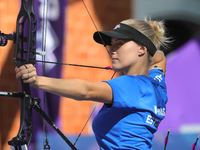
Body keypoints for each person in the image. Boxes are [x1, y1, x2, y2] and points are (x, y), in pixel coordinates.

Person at [15, 18, 170, 149]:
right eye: (112, 43)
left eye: (120, 43)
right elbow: (160, 57)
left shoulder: (129, 85)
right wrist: (147, 49)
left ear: (141, 49)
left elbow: (87, 91)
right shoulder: (157, 85)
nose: (111, 49)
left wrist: (37, 81)